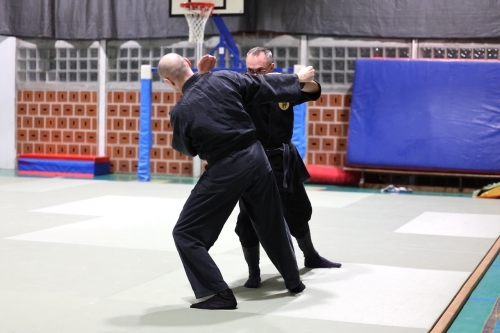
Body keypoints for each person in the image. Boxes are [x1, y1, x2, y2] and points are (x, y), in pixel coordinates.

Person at [158, 53, 315, 310]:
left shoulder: (181, 110)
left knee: (186, 233)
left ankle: (218, 293)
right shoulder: (225, 79)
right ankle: (293, 281)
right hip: (257, 157)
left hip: (226, 168)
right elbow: (264, 85)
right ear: (188, 62)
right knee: (272, 222)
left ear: (167, 81)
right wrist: (297, 78)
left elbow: (187, 149)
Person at [200, 47, 342, 289]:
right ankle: (253, 272)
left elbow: (313, 91)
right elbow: (209, 98)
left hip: (284, 160)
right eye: (250, 70)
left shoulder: (281, 86)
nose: (254, 75)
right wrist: (204, 75)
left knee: (297, 210)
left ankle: (310, 255)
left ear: (271, 68)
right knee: (248, 219)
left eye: (260, 70)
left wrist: (302, 80)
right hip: (252, 162)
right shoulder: (240, 88)